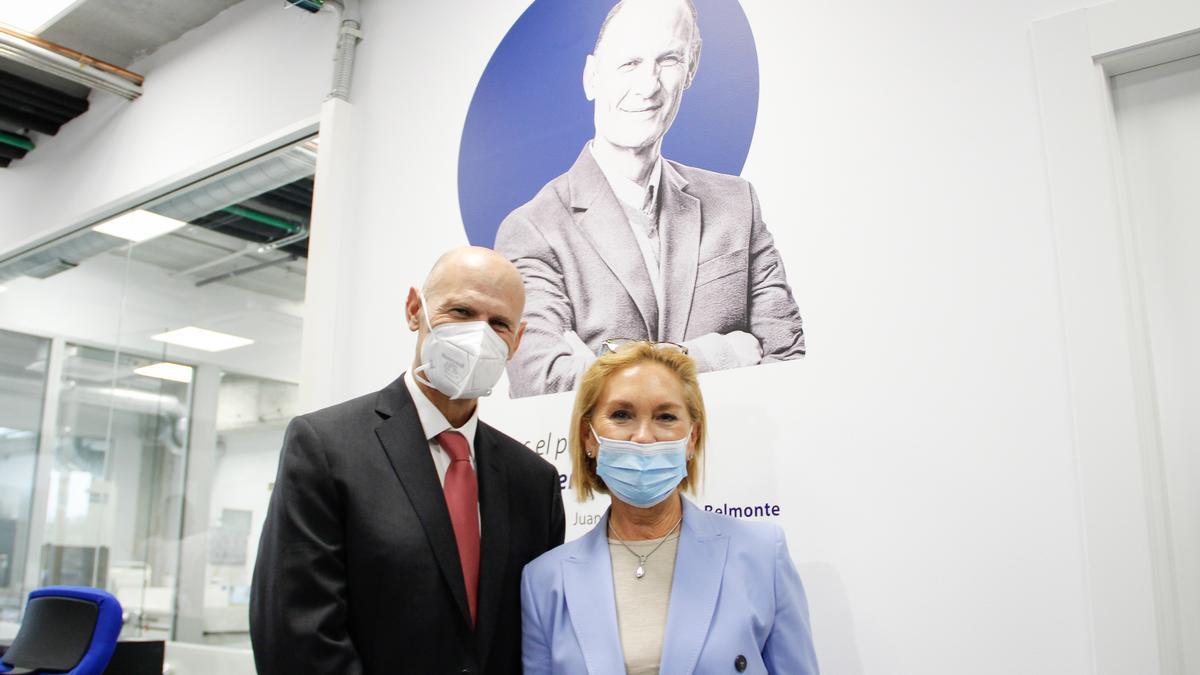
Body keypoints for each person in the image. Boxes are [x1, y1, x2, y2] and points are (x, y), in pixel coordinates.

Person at [250, 246, 566, 674]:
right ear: (415, 310)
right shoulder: (325, 447)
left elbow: (536, 635)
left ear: (517, 341)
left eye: (499, 324)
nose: (480, 336)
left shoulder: (534, 481)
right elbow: (297, 632)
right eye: (461, 311)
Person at [495, 0, 805, 398]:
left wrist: (605, 365)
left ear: (690, 73)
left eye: (669, 61)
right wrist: (720, 353)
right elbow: (547, 383)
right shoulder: (533, 230)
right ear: (592, 77)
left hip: (736, 455)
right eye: (629, 63)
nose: (648, 86)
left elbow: (786, 360)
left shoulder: (736, 204)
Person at [520, 340, 819, 674]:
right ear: (589, 438)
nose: (645, 437)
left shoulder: (762, 555)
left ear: (692, 438)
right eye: (622, 415)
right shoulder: (544, 581)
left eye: (665, 416)